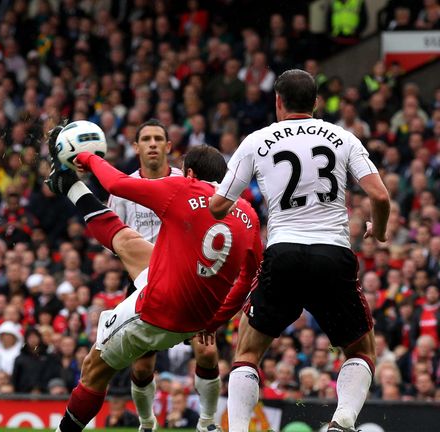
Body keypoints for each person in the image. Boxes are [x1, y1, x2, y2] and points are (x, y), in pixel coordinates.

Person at [209, 69, 390, 432]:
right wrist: (378, 231)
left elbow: (217, 206)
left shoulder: (257, 141)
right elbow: (380, 195)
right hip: (332, 254)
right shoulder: (342, 138)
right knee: (360, 351)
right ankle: (342, 422)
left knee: (246, 353)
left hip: (283, 253)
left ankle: (239, 429)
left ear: (278, 101)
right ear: (316, 102)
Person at [46, 131, 263, 432]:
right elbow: (251, 276)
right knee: (127, 241)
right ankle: (69, 186)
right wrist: (216, 320)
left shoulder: (182, 188)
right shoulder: (248, 213)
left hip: (159, 310)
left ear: (189, 173)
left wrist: (87, 157)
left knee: (94, 370)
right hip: (197, 314)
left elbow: (115, 184)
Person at [107, 119, 225, 431]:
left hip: (189, 282)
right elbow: (115, 240)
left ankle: (208, 422)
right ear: (136, 147)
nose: (153, 144)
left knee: (207, 350)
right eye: (146, 139)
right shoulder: (124, 190)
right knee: (143, 364)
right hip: (144, 282)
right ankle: (147, 423)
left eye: (159, 138)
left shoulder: (186, 183)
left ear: (169, 147)